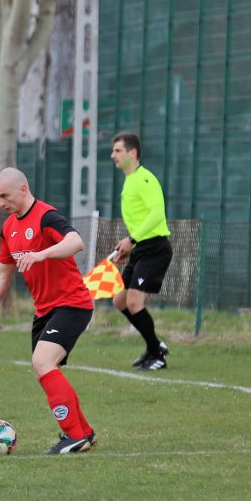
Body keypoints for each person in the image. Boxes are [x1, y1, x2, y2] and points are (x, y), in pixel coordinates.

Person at [0, 168, 96, 455]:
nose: (0, 202)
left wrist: (41, 254)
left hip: (72, 303)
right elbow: (1, 274)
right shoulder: (8, 229)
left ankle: (74, 436)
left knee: (43, 362)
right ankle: (84, 431)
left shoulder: (46, 216)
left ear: (23, 189)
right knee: (44, 369)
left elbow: (76, 242)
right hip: (45, 311)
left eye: (5, 195)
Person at [110, 132, 173, 371]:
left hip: (155, 249)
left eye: (118, 150)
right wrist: (130, 246)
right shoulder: (130, 180)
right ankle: (154, 346)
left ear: (132, 152)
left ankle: (157, 355)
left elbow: (157, 214)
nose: (113, 155)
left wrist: (131, 239)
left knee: (134, 302)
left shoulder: (144, 178)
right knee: (120, 301)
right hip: (141, 249)